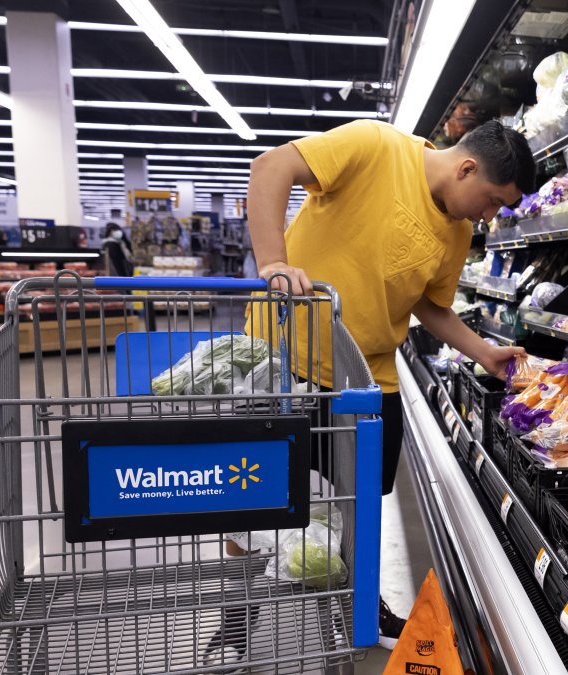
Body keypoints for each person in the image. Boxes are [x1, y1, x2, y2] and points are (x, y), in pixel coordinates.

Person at [201, 119, 536, 667]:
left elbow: (430, 304)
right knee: (251, 498)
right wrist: (273, 263)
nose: (487, 216)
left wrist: (483, 352)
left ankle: (360, 605)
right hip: (280, 361)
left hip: (368, 376)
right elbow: (271, 167)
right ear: (467, 168)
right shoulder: (375, 146)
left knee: (361, 506)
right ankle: (236, 621)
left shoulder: (456, 231)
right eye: (491, 201)